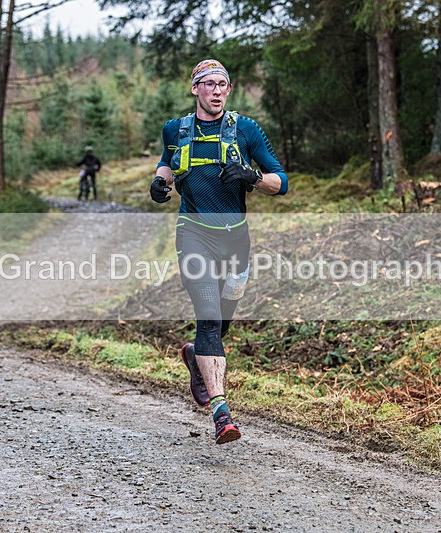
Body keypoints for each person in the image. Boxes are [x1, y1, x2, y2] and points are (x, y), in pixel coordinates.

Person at [150, 59, 288, 444]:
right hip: (193, 233)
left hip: (236, 240)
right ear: (195, 88)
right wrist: (160, 183)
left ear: (228, 89)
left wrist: (252, 176)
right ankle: (221, 414)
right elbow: (166, 163)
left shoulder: (245, 129)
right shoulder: (175, 129)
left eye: (222, 84)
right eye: (208, 84)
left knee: (223, 320)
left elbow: (282, 181)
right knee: (209, 318)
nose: (215, 90)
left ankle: (196, 356)